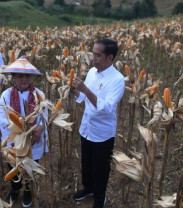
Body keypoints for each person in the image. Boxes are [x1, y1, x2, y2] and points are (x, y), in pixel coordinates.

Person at [72, 39, 125, 208]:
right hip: (87, 127)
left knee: (100, 169)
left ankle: (99, 198)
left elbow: (107, 108)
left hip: (102, 133)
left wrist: (86, 90)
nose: (93, 58)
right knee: (86, 164)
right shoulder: (92, 72)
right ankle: (88, 189)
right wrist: (74, 92)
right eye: (93, 53)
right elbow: (82, 98)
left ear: (110, 58)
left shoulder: (117, 80)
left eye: (98, 55)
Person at [0, 57, 47, 208]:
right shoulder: (6, 95)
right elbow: (3, 119)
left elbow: (44, 115)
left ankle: (27, 192)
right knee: (14, 167)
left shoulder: (39, 94)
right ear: (13, 77)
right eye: (20, 75)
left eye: (27, 76)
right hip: (15, 141)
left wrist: (40, 127)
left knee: (30, 166)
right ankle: (14, 189)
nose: (24, 79)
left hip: (34, 140)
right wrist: (19, 132)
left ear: (32, 77)